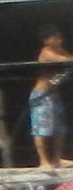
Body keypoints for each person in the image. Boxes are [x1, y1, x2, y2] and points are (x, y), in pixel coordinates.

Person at [35, 29, 72, 170]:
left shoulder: (60, 50)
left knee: (60, 128)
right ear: (46, 40)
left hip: (54, 94)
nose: (59, 41)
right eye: (55, 39)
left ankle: (57, 159)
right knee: (41, 127)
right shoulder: (46, 52)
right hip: (41, 93)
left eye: (60, 38)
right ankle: (43, 161)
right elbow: (65, 60)